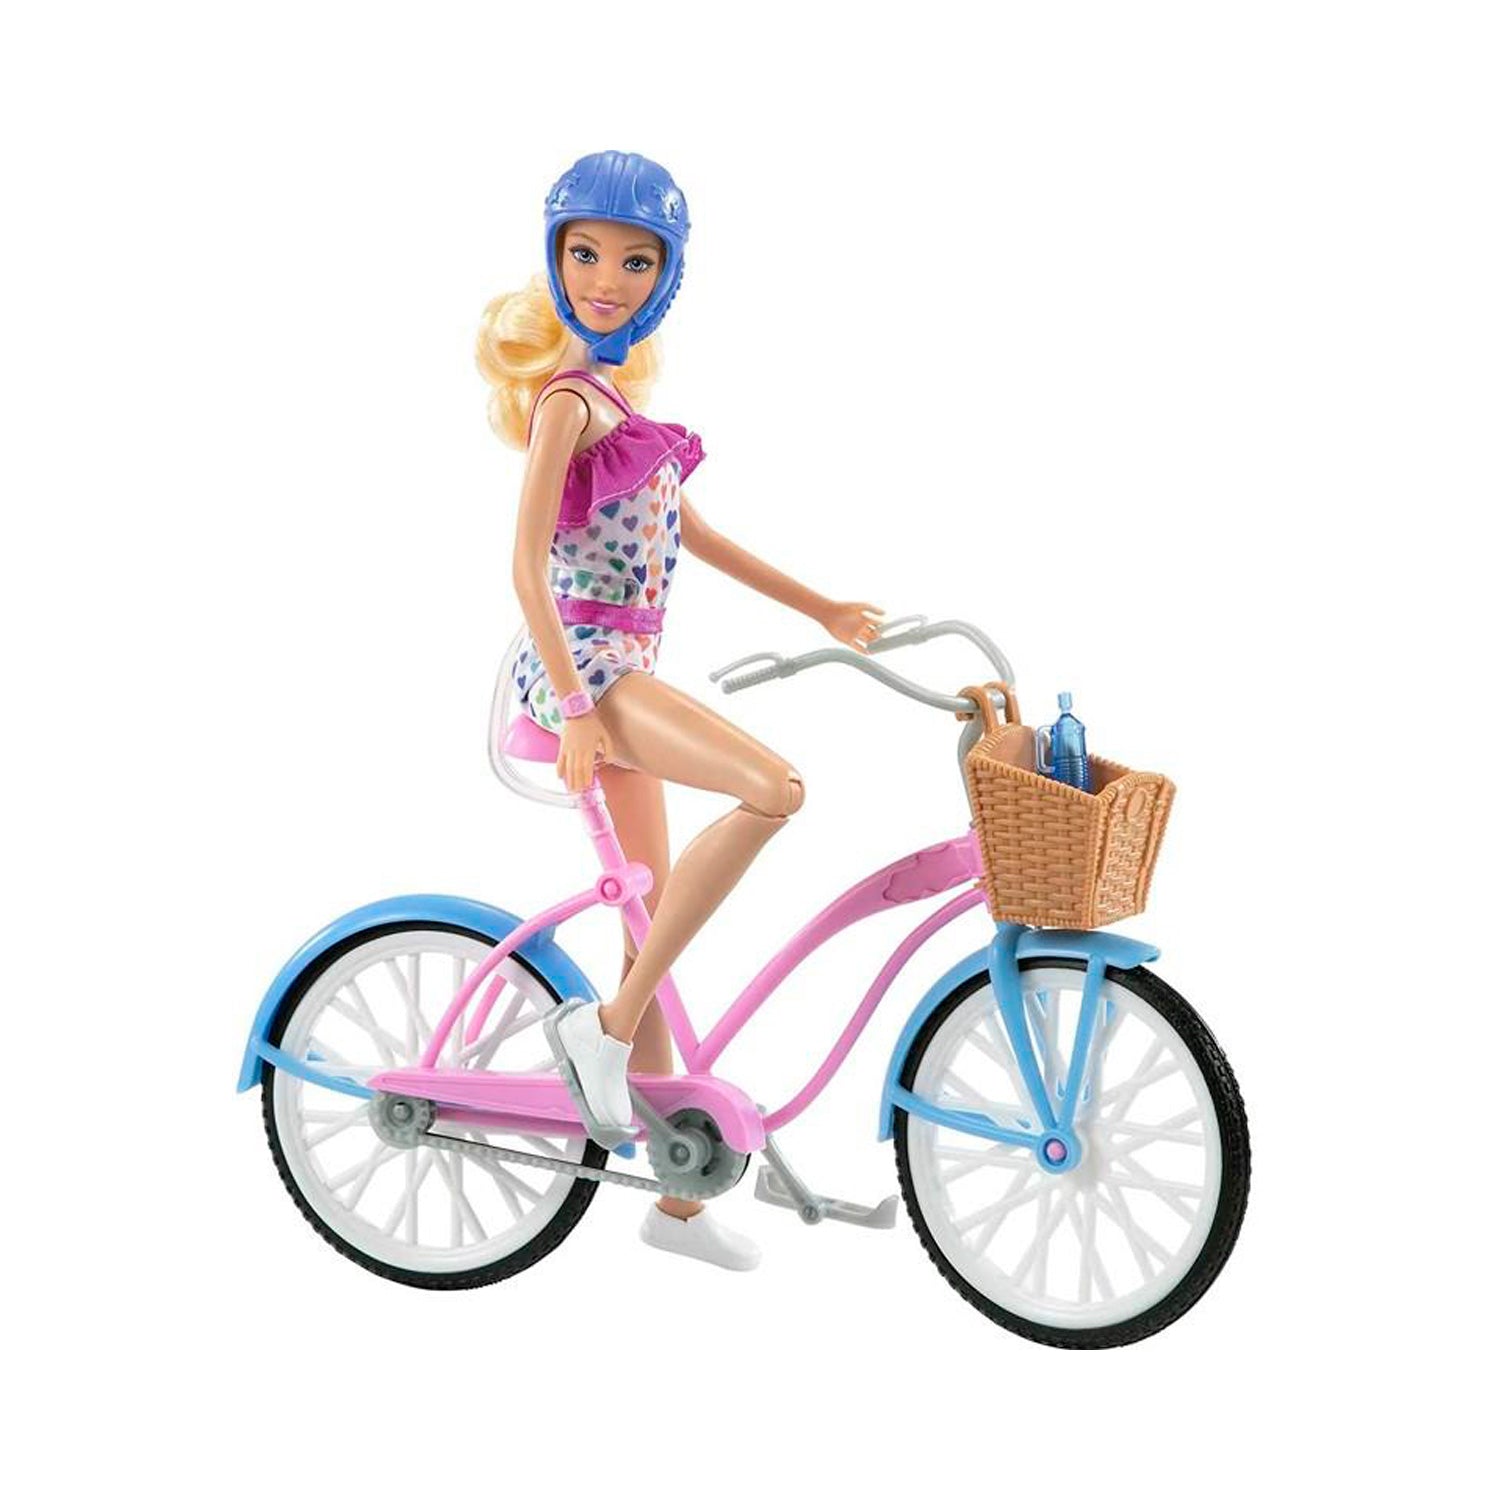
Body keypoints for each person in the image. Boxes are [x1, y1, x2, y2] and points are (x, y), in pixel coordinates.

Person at [476, 151, 884, 1269]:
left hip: (624, 666)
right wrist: (576, 705)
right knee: (773, 788)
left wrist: (822, 607)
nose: (605, 280)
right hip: (591, 670)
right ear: (555, 259)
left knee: (644, 926)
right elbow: (523, 568)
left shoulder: (619, 407)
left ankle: (678, 1203)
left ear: (666, 278)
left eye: (634, 262)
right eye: (584, 254)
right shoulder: (568, 404)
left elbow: (700, 538)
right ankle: (603, 1035)